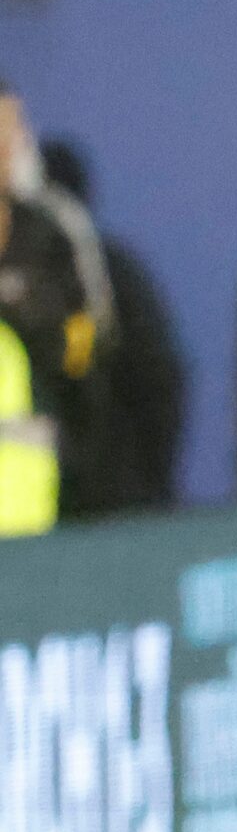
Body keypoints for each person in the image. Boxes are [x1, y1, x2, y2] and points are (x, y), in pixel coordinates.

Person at [39, 137, 185, 516]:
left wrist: (143, 482)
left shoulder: (114, 277)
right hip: (38, 511)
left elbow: (159, 381)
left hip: (118, 502)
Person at [0, 81, 92, 533]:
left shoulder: (49, 233)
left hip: (44, 503)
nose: (7, 141)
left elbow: (84, 335)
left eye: (14, 125)